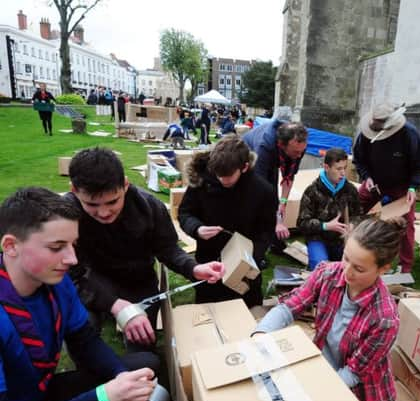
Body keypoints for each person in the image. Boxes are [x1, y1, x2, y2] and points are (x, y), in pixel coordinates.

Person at [0, 187, 185, 401]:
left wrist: (122, 378)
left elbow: (84, 339)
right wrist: (105, 399)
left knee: (143, 372)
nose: (72, 259)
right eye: (57, 247)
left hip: (38, 396)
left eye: (73, 245)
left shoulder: (55, 281)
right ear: (11, 246)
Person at [67, 148, 225, 352]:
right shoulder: (65, 217)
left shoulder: (149, 207)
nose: (104, 213)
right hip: (91, 280)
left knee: (142, 345)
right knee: (80, 328)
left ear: (125, 185)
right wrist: (115, 305)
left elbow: (167, 249)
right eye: (91, 204)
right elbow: (72, 273)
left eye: (112, 201)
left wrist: (193, 269)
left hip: (137, 281)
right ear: (74, 190)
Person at [253, 217, 404, 401]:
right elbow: (290, 306)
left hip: (358, 392)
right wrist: (261, 333)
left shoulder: (385, 319)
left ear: (383, 269)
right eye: (346, 257)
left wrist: (314, 394)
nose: (347, 271)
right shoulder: (327, 273)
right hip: (322, 368)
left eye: (359, 268)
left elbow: (353, 374)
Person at [178, 135, 278, 307]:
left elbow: (266, 232)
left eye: (229, 176)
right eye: (219, 175)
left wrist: (251, 258)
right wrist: (197, 229)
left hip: (244, 268)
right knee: (208, 317)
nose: (223, 180)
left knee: (247, 317)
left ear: (244, 167)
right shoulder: (202, 180)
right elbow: (185, 213)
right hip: (209, 264)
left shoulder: (263, 192)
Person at [353, 102, 420, 273]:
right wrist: (367, 177)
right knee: (352, 207)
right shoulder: (365, 134)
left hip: (401, 186)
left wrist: (412, 188)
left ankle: (405, 267)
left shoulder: (409, 134)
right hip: (375, 183)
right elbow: (359, 159)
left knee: (406, 224)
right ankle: (346, 248)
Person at [242, 111, 308, 250]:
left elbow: (289, 178)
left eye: (301, 152)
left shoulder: (298, 146)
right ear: (282, 145)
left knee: (277, 203)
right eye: (296, 152)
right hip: (247, 156)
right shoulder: (264, 147)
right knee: (258, 200)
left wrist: (283, 203)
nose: (299, 155)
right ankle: (256, 244)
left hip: (273, 157)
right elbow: (262, 190)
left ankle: (274, 239)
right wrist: (277, 219)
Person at [297, 148, 361, 270]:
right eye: (338, 169)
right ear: (326, 167)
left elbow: (358, 215)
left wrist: (353, 225)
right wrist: (325, 226)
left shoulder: (350, 190)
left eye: (344, 168)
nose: (343, 173)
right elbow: (302, 223)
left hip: (341, 240)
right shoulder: (312, 191)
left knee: (353, 267)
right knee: (321, 268)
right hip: (318, 238)